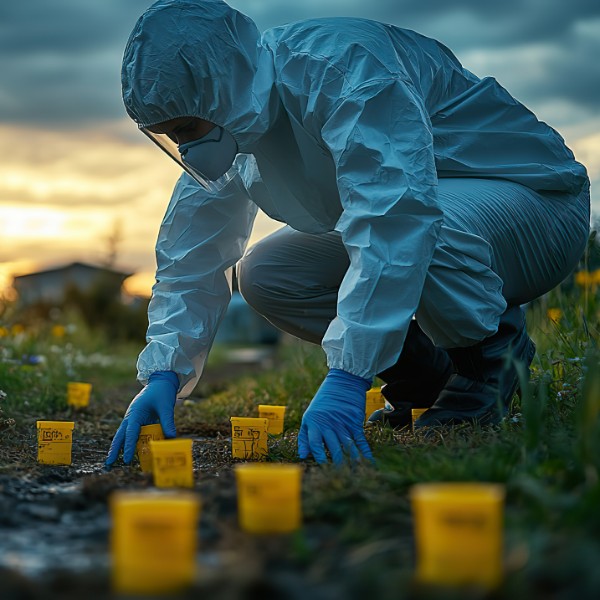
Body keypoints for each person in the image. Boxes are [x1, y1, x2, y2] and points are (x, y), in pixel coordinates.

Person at [106, 0, 590, 467]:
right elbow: (190, 253)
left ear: (221, 85)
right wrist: (164, 372)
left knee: (423, 224)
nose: (187, 147)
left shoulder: (341, 68)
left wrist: (347, 376)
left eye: (188, 127)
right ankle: (425, 381)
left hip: (535, 203)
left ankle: (491, 362)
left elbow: (396, 213)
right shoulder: (232, 118)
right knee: (265, 273)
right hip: (435, 216)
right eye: (172, 135)